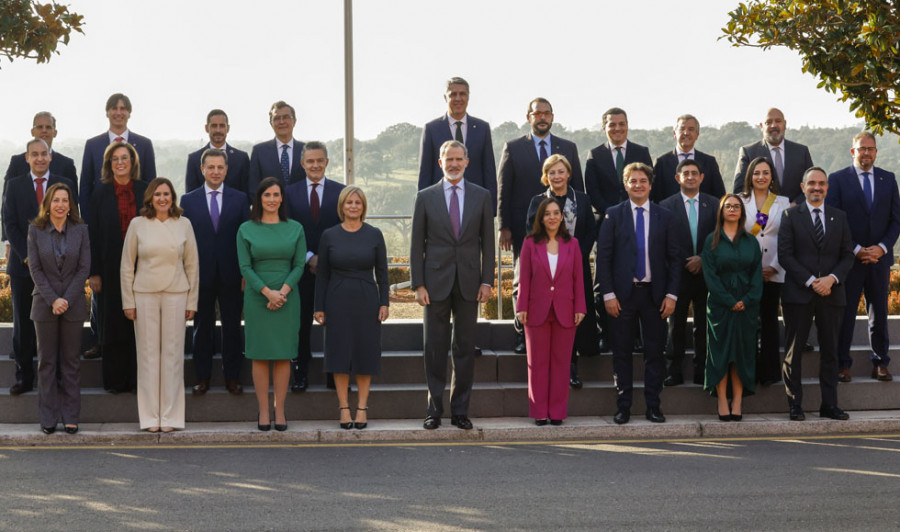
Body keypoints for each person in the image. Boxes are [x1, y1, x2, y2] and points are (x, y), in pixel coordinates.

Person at [411, 140, 494, 431]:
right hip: (434, 283)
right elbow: (415, 245)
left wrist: (487, 280)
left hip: (470, 282)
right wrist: (418, 284)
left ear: (467, 162)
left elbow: (488, 242)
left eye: (459, 159)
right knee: (433, 347)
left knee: (464, 348)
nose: (454, 164)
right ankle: (434, 409)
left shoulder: (482, 196)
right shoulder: (425, 196)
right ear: (440, 162)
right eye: (449, 159)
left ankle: (460, 411)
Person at [596, 162, 681, 425]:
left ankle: (653, 406)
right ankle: (623, 406)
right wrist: (608, 294)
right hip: (622, 296)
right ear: (625, 185)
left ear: (650, 184)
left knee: (654, 353)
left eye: (643, 180)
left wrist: (672, 295)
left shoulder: (664, 216)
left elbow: (675, 259)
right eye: (633, 180)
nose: (638, 185)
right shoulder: (613, 215)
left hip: (655, 296)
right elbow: (604, 258)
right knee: (621, 353)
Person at [497, 97, 584, 354]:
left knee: (556, 281)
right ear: (529, 117)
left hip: (563, 232)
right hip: (526, 229)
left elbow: (577, 187)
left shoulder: (567, 146)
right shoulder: (513, 147)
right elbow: (504, 188)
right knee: (522, 281)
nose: (542, 117)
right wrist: (503, 226)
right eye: (537, 113)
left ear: (553, 116)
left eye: (547, 113)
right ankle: (522, 335)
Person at [121, 178, 199, 432]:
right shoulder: (138, 224)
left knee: (173, 356)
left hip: (177, 293)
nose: (162, 198)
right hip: (144, 294)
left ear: (173, 196)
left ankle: (172, 417)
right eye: (157, 194)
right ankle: (150, 417)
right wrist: (128, 301)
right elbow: (126, 266)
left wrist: (192, 301)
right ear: (150, 198)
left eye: (166, 194)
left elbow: (192, 265)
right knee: (147, 356)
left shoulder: (184, 224)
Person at [778, 167, 855, 421]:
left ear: (827, 188)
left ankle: (829, 405)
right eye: (812, 183)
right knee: (794, 351)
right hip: (799, 294)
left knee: (831, 351)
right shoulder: (790, 215)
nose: (817, 188)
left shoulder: (839, 216)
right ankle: (795, 405)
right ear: (802, 187)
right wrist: (812, 281)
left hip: (832, 295)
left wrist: (831, 279)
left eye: (822, 183)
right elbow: (786, 256)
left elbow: (847, 255)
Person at [2, 139, 75, 395]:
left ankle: (54, 377)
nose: (40, 158)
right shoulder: (14, 186)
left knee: (54, 322)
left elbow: (72, 221)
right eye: (35, 154)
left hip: (57, 267)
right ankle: (24, 377)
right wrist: (29, 257)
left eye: (45, 154)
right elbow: (10, 224)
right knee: (23, 323)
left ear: (51, 156)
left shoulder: (63, 186)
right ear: (27, 157)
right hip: (23, 267)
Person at [827, 132, 900, 383]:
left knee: (879, 312)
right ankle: (842, 364)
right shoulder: (837, 180)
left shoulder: (888, 179)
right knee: (845, 313)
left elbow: (895, 220)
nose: (866, 153)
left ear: (876, 152)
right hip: (849, 258)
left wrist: (881, 247)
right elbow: (834, 219)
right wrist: (856, 249)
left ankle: (880, 363)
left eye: (870, 149)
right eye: (861, 149)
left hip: (879, 259)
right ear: (852, 151)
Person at [314, 186, 389, 429]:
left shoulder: (375, 234)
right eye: (349, 202)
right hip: (336, 300)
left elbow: (383, 272)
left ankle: (362, 408)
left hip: (367, 299)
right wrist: (319, 307)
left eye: (357, 202)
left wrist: (384, 302)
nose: (353, 206)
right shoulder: (329, 235)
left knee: (365, 354)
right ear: (342, 206)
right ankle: (344, 408)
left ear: (363, 206)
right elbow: (322, 275)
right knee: (339, 354)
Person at [236, 177, 307, 431]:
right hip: (258, 298)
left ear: (282, 199)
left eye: (276, 195)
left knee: (282, 354)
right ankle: (263, 411)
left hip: (287, 297)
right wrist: (268, 293)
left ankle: (280, 410)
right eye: (267, 195)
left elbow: (299, 265)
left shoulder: (295, 228)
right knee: (259, 354)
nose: (272, 199)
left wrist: (282, 292)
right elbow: (245, 267)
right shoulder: (245, 229)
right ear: (259, 199)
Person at [180, 148, 250, 396]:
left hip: (233, 274)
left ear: (226, 170)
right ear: (202, 170)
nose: (216, 171)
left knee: (232, 326)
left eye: (220, 167)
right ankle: (203, 377)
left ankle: (232, 376)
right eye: (211, 167)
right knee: (202, 327)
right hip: (200, 274)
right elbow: (184, 242)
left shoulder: (240, 199)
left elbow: (245, 238)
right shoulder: (188, 201)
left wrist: (245, 272)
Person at [585, 107, 653, 354]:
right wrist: (614, 214)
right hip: (606, 224)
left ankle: (634, 335)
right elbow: (591, 190)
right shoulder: (594, 155)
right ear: (604, 127)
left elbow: (645, 185)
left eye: (621, 124)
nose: (617, 128)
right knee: (602, 280)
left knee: (635, 278)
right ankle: (605, 334)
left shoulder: (641, 152)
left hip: (638, 223)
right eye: (612, 124)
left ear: (627, 125)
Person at [525, 154, 596, 388]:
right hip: (547, 271)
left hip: (577, 267)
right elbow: (531, 233)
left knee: (571, 319)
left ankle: (570, 367)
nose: (556, 176)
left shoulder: (583, 200)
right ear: (546, 176)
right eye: (551, 172)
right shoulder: (537, 202)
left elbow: (589, 232)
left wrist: (576, 256)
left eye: (560, 171)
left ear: (568, 174)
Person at [27, 183, 90, 434]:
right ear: (48, 204)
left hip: (73, 305)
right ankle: (48, 417)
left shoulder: (81, 230)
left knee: (71, 362)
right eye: (56, 200)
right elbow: (35, 269)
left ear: (70, 205)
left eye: (65, 200)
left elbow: (84, 268)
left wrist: (67, 298)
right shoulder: (35, 230)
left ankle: (71, 416)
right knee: (47, 362)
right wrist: (54, 299)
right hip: (44, 304)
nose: (61, 205)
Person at [517, 198, 586, 425]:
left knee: (561, 363)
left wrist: (580, 307)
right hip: (536, 310)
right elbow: (524, 278)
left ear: (562, 217)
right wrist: (521, 308)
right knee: (537, 364)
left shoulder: (573, 244)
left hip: (565, 311)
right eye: (548, 214)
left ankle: (557, 413)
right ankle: (539, 412)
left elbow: (579, 278)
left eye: (556, 213)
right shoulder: (529, 243)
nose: (553, 217)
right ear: (541, 218)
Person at [284, 141, 345, 392]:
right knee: (300, 324)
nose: (315, 165)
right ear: (302, 164)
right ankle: (300, 373)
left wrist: (325, 259)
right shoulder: (289, 193)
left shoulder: (341, 192)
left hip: (333, 269)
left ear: (327, 162)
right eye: (310, 161)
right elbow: (287, 230)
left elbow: (345, 230)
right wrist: (309, 257)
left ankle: (334, 374)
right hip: (301, 269)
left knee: (335, 323)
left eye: (320, 160)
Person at [88, 141, 149, 394]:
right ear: (109, 164)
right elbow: (92, 233)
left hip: (143, 267)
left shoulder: (145, 190)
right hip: (109, 267)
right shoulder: (99, 193)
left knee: (140, 324)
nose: (120, 162)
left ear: (133, 162)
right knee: (113, 324)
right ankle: (115, 381)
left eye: (125, 158)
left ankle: (137, 381)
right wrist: (94, 271)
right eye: (115, 159)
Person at [701, 194, 763, 421]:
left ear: (742, 212)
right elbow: (710, 276)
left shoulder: (750, 241)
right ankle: (721, 399)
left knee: (741, 354)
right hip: (720, 306)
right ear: (721, 211)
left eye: (737, 206)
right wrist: (728, 301)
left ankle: (737, 400)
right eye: (728, 206)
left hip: (747, 306)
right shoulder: (711, 241)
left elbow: (757, 275)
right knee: (720, 354)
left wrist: (746, 300)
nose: (733, 209)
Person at [659, 159, 719, 387]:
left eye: (695, 173)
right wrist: (684, 261)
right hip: (677, 273)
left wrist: (703, 259)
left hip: (706, 274)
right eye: (686, 173)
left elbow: (718, 237)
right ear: (678, 178)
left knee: (703, 325)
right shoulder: (665, 206)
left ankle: (701, 370)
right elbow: (664, 240)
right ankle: (673, 370)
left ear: (702, 177)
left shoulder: (714, 205)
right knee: (676, 325)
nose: (691, 177)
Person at [739, 157, 790, 386]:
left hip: (774, 270)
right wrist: (752, 268)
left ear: (772, 176)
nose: (761, 177)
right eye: (757, 172)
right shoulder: (739, 201)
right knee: (749, 321)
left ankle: (769, 372)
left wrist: (775, 266)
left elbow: (787, 238)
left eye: (766, 172)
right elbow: (736, 237)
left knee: (769, 320)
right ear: (750, 176)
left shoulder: (782, 202)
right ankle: (748, 370)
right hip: (747, 271)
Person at [418, 77, 497, 206]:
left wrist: (491, 208)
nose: (458, 99)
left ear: (468, 97)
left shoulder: (482, 128)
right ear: (445, 97)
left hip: (475, 204)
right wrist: (423, 208)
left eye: (462, 94)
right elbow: (425, 174)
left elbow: (489, 171)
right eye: (453, 94)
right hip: (440, 206)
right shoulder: (432, 129)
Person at [80, 93, 157, 219]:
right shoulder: (93, 145)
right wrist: (88, 222)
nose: (118, 113)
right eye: (114, 108)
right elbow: (85, 187)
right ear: (107, 113)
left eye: (123, 109)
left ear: (129, 113)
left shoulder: (144, 145)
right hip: (102, 218)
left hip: (137, 216)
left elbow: (151, 184)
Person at [3, 112, 78, 214]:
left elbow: (73, 206)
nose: (44, 131)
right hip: (22, 228)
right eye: (39, 127)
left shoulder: (66, 165)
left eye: (48, 127)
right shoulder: (18, 162)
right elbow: (6, 204)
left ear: (55, 132)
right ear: (32, 131)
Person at [733, 108, 813, 204]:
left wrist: (795, 204)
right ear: (762, 126)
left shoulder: (801, 152)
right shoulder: (748, 152)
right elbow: (739, 190)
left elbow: (812, 184)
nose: (774, 125)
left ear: (785, 124)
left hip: (796, 213)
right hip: (760, 215)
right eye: (769, 122)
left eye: (778, 121)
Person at [651, 114, 725, 202]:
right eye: (682, 129)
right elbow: (656, 197)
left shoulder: (709, 162)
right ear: (674, 133)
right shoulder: (661, 163)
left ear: (697, 134)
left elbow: (719, 196)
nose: (686, 133)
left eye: (691, 129)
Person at [185, 109, 251, 195]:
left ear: (228, 128)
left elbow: (246, 195)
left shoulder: (242, 159)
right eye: (214, 126)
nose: (218, 130)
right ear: (206, 128)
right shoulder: (194, 159)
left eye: (222, 126)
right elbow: (190, 197)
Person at [248, 101, 306, 194]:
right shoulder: (259, 152)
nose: (282, 122)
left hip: (301, 208)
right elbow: (253, 189)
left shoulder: (306, 150)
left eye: (286, 117)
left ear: (294, 121)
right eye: (277, 118)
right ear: (271, 123)